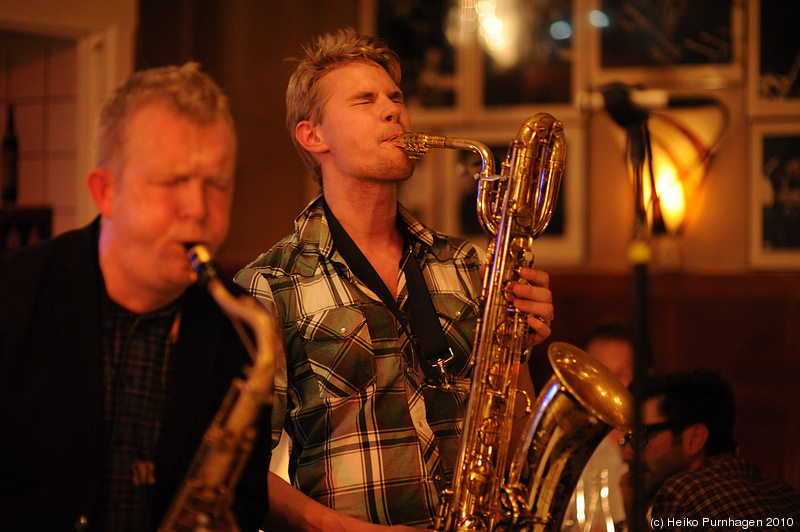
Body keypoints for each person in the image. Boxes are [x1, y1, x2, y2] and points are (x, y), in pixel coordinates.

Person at [235, 27, 555, 530]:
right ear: (312, 135)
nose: (393, 110)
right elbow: (243, 468)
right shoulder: (270, 284)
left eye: (396, 97)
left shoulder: (470, 265)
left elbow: (511, 422)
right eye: (365, 100)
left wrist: (519, 353)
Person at [0, 63, 270, 531]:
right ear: (106, 192)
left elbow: (243, 501)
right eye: (172, 182)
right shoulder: (12, 295)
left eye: (217, 184)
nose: (199, 209)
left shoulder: (242, 329)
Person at [620, 370, 800, 531]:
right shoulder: (783, 491)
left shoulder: (680, 493)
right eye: (628, 438)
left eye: (641, 436)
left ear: (694, 438)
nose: (626, 454)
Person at [562, 321, 635, 532]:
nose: (608, 387)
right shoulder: (566, 446)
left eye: (620, 375)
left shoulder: (652, 447)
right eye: (600, 373)